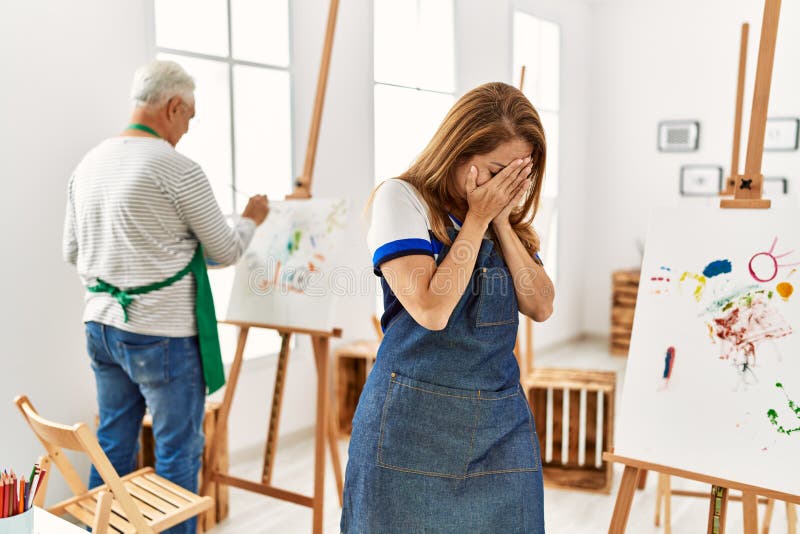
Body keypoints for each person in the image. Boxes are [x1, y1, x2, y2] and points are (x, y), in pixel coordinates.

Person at [62, 60, 268, 534]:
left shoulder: (88, 163)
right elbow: (225, 249)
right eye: (189, 119)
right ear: (173, 106)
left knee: (113, 440)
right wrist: (251, 216)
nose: (186, 131)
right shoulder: (176, 168)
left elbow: (71, 250)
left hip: (101, 326)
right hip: (162, 336)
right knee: (178, 452)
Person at [341, 82, 554, 533]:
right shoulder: (402, 200)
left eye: (519, 175)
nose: (507, 186)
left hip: (500, 429)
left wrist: (499, 219)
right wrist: (477, 219)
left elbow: (540, 304)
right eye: (498, 170)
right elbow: (432, 308)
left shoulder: (504, 223)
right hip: (410, 428)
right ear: (458, 151)